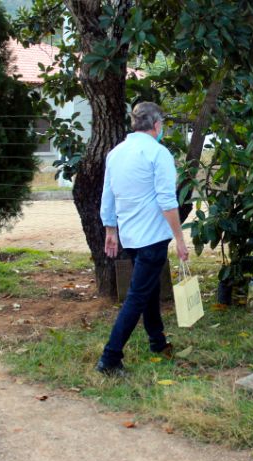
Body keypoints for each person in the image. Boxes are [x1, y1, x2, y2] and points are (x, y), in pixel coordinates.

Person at [96, 102, 189, 376]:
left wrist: (110, 230)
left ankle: (157, 342)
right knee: (138, 295)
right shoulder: (158, 153)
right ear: (157, 125)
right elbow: (167, 200)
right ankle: (110, 357)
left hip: (131, 235)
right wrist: (180, 238)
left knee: (147, 288)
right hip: (152, 236)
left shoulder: (116, 153)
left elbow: (108, 194)